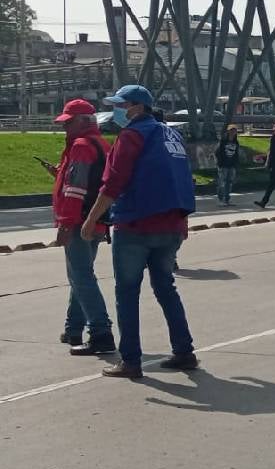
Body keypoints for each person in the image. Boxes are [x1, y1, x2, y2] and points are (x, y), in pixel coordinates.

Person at [80, 85, 196, 380]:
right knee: (166, 288)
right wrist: (183, 222)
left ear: (137, 107)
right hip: (171, 225)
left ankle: (130, 360)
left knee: (127, 293)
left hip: (136, 225)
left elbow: (114, 182)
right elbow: (182, 178)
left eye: (122, 104)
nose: (118, 110)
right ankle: (184, 351)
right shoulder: (172, 135)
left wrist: (92, 218)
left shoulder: (131, 135)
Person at [45, 99, 115, 355]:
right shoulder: (101, 144)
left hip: (79, 222)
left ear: (84, 122)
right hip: (95, 221)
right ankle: (73, 328)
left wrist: (65, 224)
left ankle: (101, 332)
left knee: (82, 277)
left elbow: (75, 190)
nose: (65, 129)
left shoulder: (82, 146)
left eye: (68, 123)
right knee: (79, 275)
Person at [214, 125, 240, 206]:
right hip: (223, 165)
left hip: (232, 165)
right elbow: (217, 152)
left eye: (235, 131)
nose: (233, 132)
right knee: (222, 183)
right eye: (231, 130)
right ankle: (220, 199)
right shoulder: (223, 141)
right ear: (228, 131)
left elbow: (236, 153)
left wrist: (236, 163)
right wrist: (220, 163)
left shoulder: (236, 142)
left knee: (230, 182)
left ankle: (227, 199)